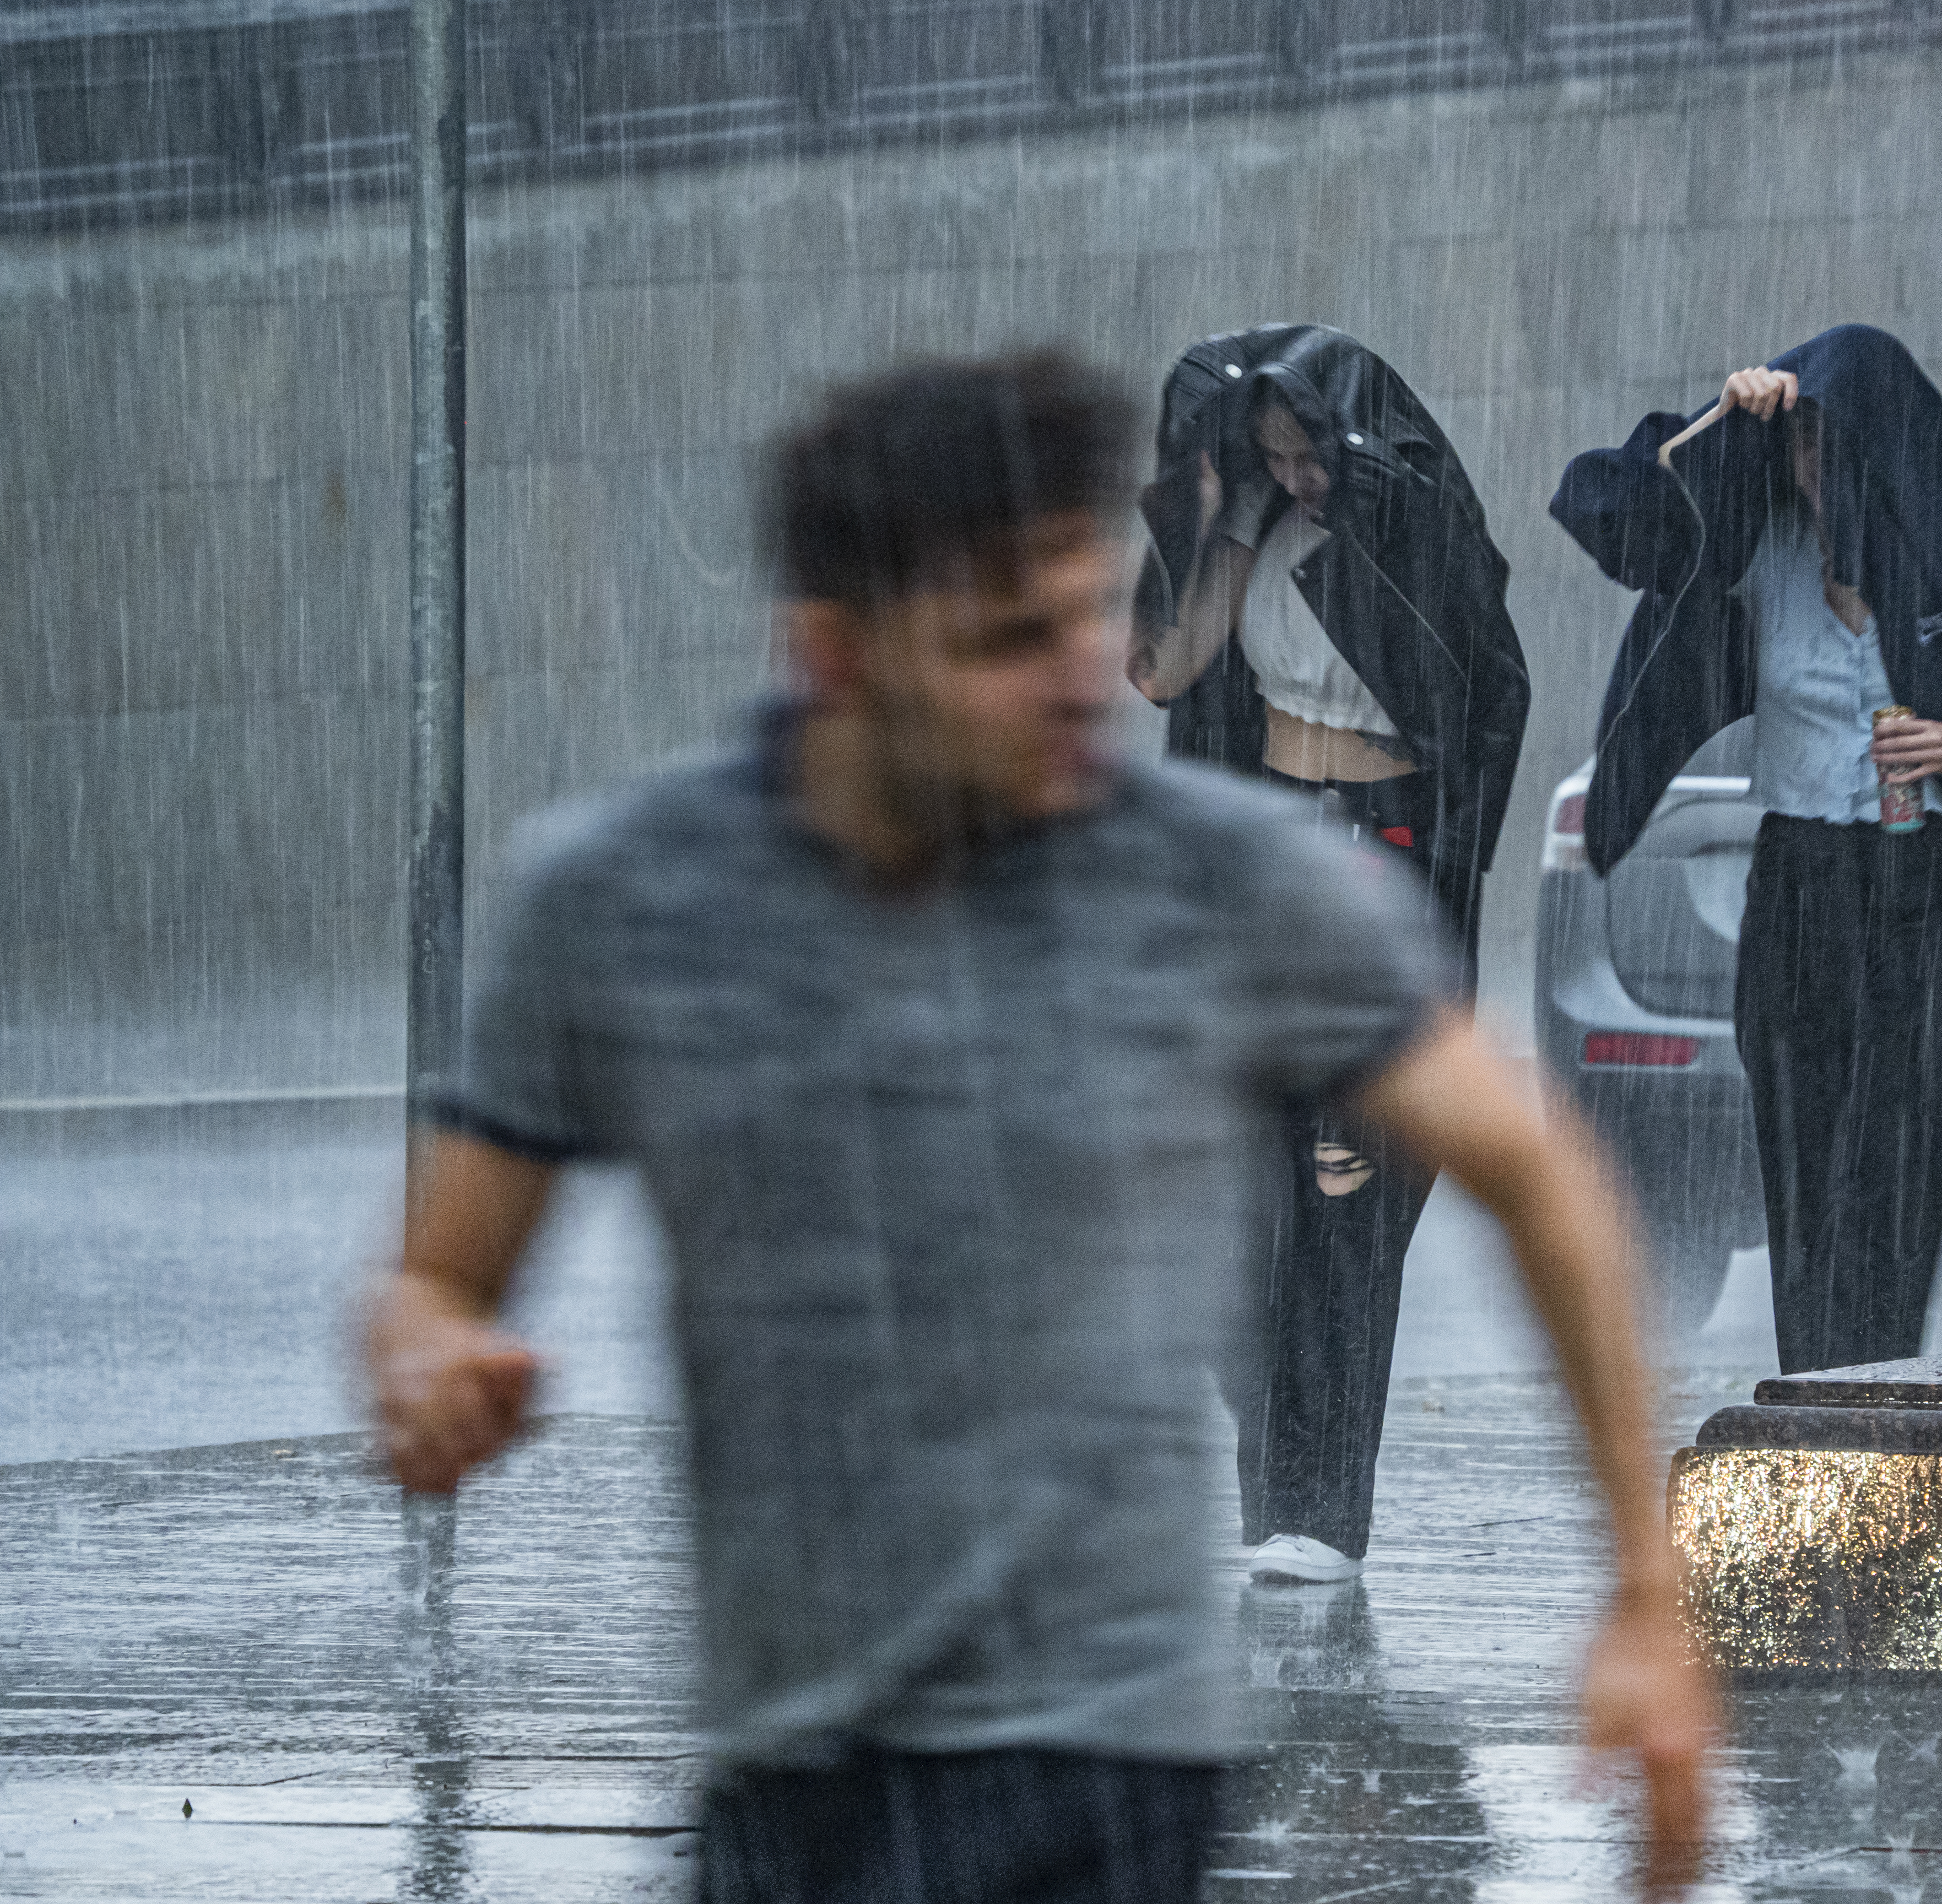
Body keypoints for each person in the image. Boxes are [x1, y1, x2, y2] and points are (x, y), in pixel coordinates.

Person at [365, 353, 1708, 1902]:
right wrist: (427, 1361)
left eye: (1079, 610)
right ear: (834, 654)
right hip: (795, 1793)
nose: (1081, 674)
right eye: (1007, 638)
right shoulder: (625, 902)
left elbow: (1534, 1175)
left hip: (1121, 1791)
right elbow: (435, 1279)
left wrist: (1641, 1595)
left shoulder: (1217, 878)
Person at [1549, 323, 1942, 1375]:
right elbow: (1607, 513)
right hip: (1802, 875)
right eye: (1802, 444)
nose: (1815, 471)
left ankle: (1880, 1394)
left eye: (1836, 447)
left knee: (1896, 1160)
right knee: (1803, 1155)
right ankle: (1813, 1395)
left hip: (1940, 883)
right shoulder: (1752, 538)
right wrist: (1714, 427)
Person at [1128, 324, 1528, 1586]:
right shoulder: (1247, 528)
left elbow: (1478, 692)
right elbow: (1164, 673)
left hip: (1380, 862)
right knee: (1235, 1194)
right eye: (1275, 457)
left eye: (1311, 456)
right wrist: (1223, 527)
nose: (1299, 478)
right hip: (1261, 870)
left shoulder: (1403, 535)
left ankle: (1323, 1517)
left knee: (1349, 1192)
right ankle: (1272, 1496)